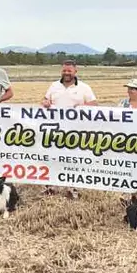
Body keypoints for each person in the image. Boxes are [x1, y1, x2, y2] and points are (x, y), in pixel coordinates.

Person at [41, 59, 98, 199]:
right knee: (52, 157)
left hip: (75, 131)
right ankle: (51, 186)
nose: (66, 73)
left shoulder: (84, 87)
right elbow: (44, 100)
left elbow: (94, 105)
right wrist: (45, 102)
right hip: (55, 129)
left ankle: (72, 188)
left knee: (73, 159)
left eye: (69, 71)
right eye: (64, 70)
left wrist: (81, 108)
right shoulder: (54, 86)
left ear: (75, 71)